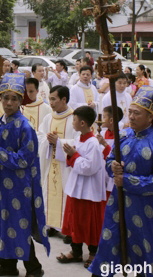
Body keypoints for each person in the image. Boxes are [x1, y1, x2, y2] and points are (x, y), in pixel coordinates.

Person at [89, 86, 153, 277]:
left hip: (145, 209)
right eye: (130, 112)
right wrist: (113, 167)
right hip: (117, 205)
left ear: (150, 117)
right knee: (109, 244)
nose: (132, 117)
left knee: (144, 252)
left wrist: (126, 180)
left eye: (137, 113)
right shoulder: (123, 136)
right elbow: (110, 160)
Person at [0, 73, 51, 277]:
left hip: (21, 187)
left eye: (14, 99)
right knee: (2, 224)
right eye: (6, 98)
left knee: (19, 226)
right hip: (3, 185)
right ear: (0, 98)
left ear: (21, 101)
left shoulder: (25, 127)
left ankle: (34, 268)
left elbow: (24, 159)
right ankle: (7, 266)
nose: (9, 103)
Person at [56, 106, 107, 268]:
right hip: (77, 187)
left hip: (89, 190)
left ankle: (93, 252)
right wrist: (72, 154)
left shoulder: (93, 143)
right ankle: (76, 251)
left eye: (75, 120)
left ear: (83, 123)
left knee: (89, 222)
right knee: (75, 220)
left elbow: (90, 167)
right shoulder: (79, 139)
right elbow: (76, 161)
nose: (73, 123)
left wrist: (74, 154)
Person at [37, 86, 77, 233]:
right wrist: (47, 141)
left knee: (66, 195)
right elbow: (40, 136)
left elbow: (79, 142)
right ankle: (51, 224)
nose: (51, 102)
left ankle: (67, 229)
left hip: (66, 168)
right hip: (50, 163)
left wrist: (59, 142)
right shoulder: (48, 118)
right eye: (50, 98)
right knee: (49, 191)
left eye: (53, 99)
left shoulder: (74, 119)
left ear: (64, 99)